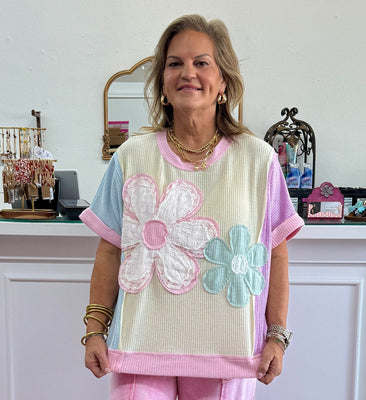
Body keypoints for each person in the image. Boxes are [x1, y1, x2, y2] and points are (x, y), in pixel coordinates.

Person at [80, 14, 304, 400]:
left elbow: (276, 254)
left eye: (202, 62)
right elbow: (110, 250)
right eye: (175, 63)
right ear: (163, 83)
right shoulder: (131, 156)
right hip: (140, 348)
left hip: (229, 353)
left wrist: (277, 336)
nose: (188, 73)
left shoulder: (259, 161)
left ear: (223, 81)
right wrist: (95, 330)